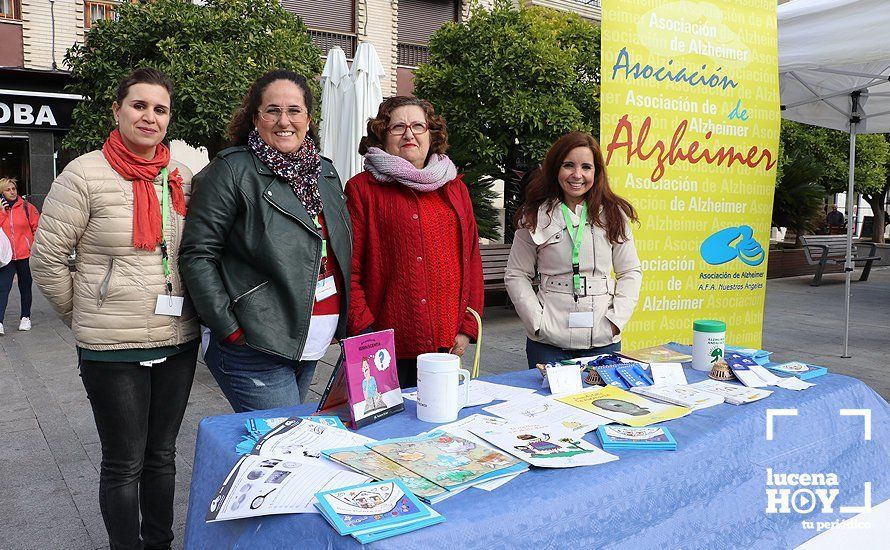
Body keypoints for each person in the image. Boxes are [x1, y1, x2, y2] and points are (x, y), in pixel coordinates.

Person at [30, 68, 199, 550]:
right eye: (139, 105)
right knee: (124, 461)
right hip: (111, 347)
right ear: (117, 110)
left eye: (160, 109)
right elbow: (47, 260)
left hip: (177, 338)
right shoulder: (84, 173)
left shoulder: (178, 175)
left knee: (162, 455)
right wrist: (85, 316)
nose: (150, 117)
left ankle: (160, 544)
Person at [179, 69, 351, 412]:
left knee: (281, 444)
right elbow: (198, 255)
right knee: (284, 439)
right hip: (254, 344)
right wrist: (229, 329)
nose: (283, 120)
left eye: (294, 110)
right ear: (255, 118)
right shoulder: (231, 170)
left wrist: (340, 319)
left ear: (308, 118)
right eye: (272, 110)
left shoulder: (325, 173)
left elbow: (335, 252)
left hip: (310, 341)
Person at [346, 96, 483, 388]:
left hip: (446, 343)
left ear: (431, 135)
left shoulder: (455, 188)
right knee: (388, 430)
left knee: (442, 425)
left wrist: (468, 328)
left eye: (418, 126)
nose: (409, 134)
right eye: (398, 127)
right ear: (382, 135)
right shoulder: (362, 189)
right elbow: (350, 268)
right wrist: (364, 331)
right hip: (384, 346)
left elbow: (471, 261)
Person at [505, 131, 642, 369]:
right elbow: (516, 274)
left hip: (602, 337)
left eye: (586, 167)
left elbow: (630, 271)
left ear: (596, 172)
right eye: (568, 165)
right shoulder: (534, 215)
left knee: (600, 404)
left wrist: (615, 321)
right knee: (548, 404)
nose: (577, 175)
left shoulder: (613, 214)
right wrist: (537, 322)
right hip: (548, 341)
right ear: (556, 168)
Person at [0, 177, 39, 334]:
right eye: (8, 189)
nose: (12, 192)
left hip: (25, 255)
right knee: (3, 288)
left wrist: (35, 248)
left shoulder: (26, 207)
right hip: (6, 256)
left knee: (25, 287)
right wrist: (2, 213)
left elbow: (37, 228)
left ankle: (25, 317)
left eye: (14, 189)